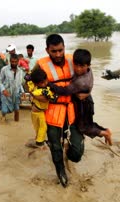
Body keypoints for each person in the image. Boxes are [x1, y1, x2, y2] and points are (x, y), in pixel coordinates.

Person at [33, 34, 84, 187]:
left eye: (60, 50)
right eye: (53, 51)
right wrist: (34, 97)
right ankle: (60, 172)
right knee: (55, 146)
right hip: (52, 112)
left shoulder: (73, 59)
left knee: (77, 153)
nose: (58, 54)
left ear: (64, 47)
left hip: (73, 109)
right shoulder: (40, 64)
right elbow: (28, 84)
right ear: (47, 50)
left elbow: (88, 73)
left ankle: (70, 151)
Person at [48, 49, 112, 145]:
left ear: (88, 65)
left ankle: (105, 133)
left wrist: (49, 84)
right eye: (76, 65)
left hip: (84, 104)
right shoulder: (88, 71)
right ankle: (105, 131)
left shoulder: (81, 82)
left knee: (83, 127)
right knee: (87, 123)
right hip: (87, 99)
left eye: (81, 66)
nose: (78, 69)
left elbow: (64, 91)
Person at [25, 68, 57, 148]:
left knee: (39, 127)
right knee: (42, 127)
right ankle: (39, 142)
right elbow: (44, 96)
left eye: (46, 80)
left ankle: (38, 139)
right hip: (36, 112)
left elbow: (29, 83)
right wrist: (51, 96)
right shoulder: (40, 91)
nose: (45, 83)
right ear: (36, 84)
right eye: (42, 83)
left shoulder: (40, 88)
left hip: (37, 112)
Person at [0, 54, 24, 121]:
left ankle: (16, 123)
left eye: (15, 62)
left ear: (18, 61)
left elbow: (19, 83)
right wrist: (3, 90)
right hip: (6, 92)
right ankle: (3, 118)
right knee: (4, 110)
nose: (14, 63)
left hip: (16, 93)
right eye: (12, 62)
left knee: (17, 109)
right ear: (10, 61)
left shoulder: (20, 71)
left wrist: (23, 91)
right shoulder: (4, 69)